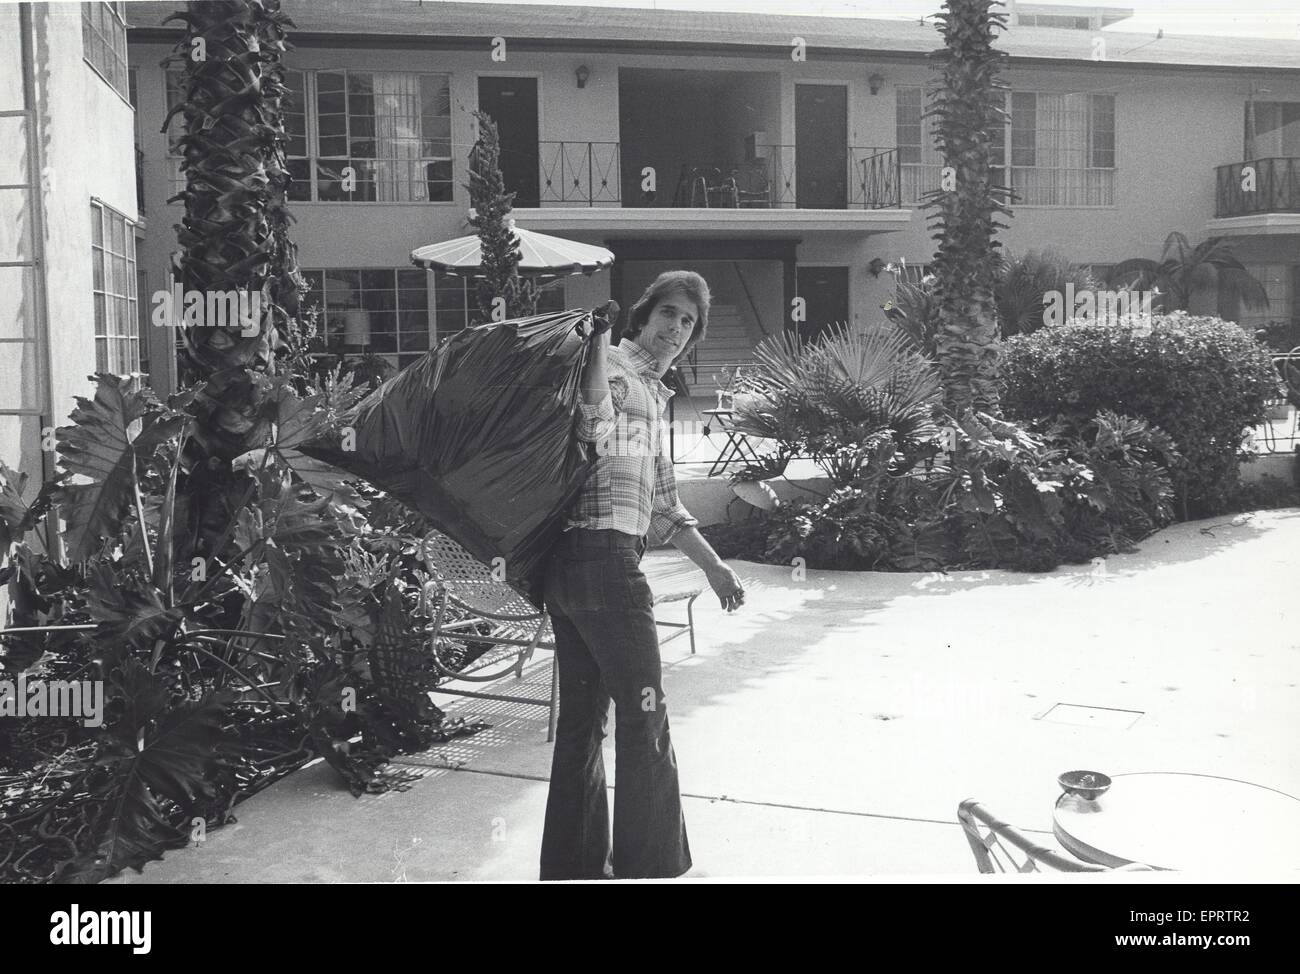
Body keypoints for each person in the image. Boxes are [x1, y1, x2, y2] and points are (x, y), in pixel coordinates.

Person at [539, 270, 746, 881]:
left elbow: (662, 504)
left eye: (688, 322)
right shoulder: (613, 367)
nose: (676, 329)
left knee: (582, 722)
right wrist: (598, 347)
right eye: (668, 314)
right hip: (605, 564)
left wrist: (714, 567)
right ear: (644, 315)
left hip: (571, 570)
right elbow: (590, 423)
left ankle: (574, 870)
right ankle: (650, 869)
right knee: (644, 713)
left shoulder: (653, 394)